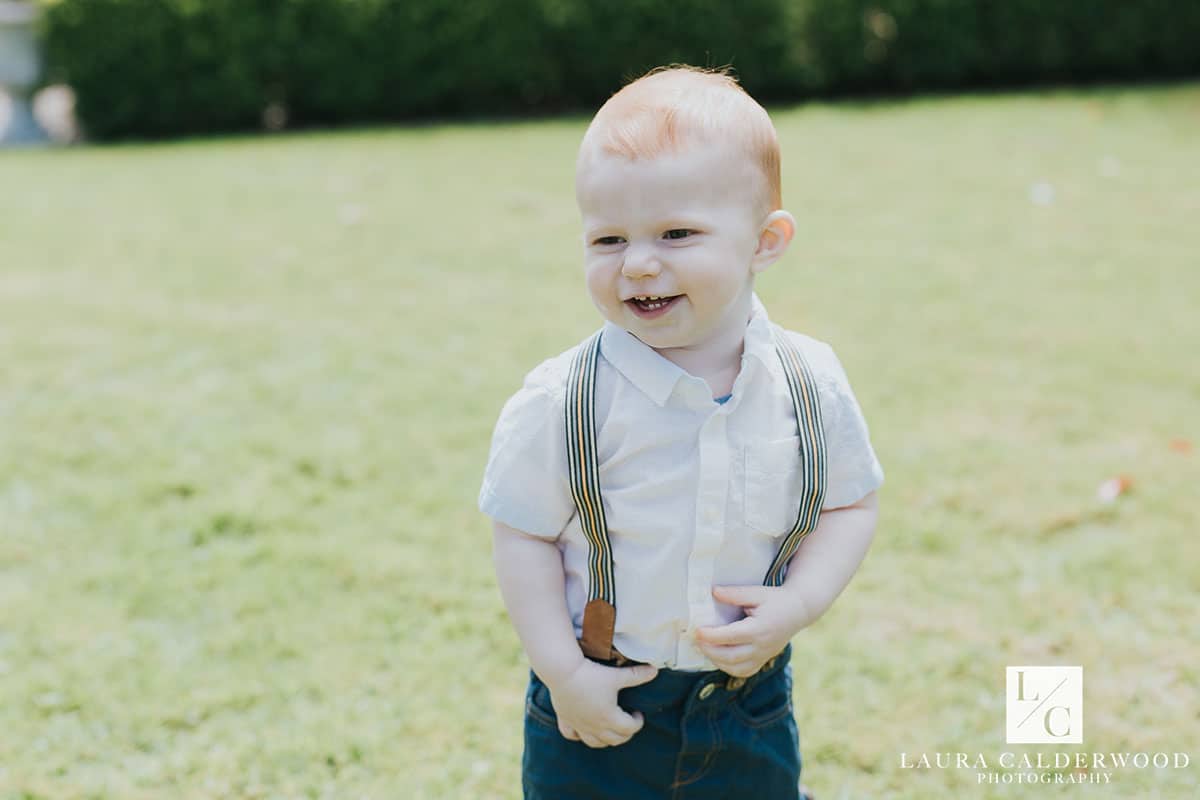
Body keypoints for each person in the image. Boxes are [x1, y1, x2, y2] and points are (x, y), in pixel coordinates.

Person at [479, 65, 884, 800]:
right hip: (601, 703)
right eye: (607, 239)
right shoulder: (564, 400)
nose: (638, 263)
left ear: (765, 241)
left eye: (676, 232)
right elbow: (522, 534)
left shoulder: (808, 383)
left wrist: (798, 605)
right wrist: (563, 673)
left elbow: (849, 506)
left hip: (745, 704)